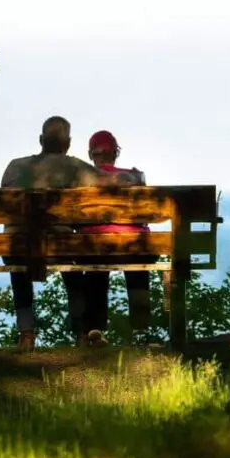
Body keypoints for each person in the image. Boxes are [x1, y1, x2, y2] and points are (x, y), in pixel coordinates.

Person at [0, 116, 133, 349]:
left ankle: (27, 334)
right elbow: (115, 182)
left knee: (19, 267)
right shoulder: (73, 167)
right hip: (58, 247)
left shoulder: (14, 166)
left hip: (16, 246)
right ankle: (82, 333)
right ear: (68, 143)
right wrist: (135, 177)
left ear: (41, 139)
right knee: (74, 273)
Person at [73, 130, 155, 344]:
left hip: (93, 248)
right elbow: (146, 215)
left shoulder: (80, 181)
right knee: (138, 266)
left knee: (94, 267)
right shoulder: (135, 177)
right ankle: (141, 329)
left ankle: (95, 328)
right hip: (134, 246)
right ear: (115, 152)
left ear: (92, 154)